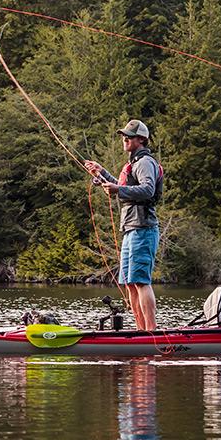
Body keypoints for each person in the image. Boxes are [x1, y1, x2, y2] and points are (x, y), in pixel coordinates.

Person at [84, 119, 162, 331]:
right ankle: (140, 330)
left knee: (140, 281)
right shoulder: (133, 164)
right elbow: (122, 187)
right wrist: (101, 173)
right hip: (130, 230)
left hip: (143, 229)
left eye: (129, 136)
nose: (124, 139)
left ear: (141, 140)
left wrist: (117, 190)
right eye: (124, 135)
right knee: (129, 282)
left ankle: (151, 332)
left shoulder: (145, 162)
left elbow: (148, 190)